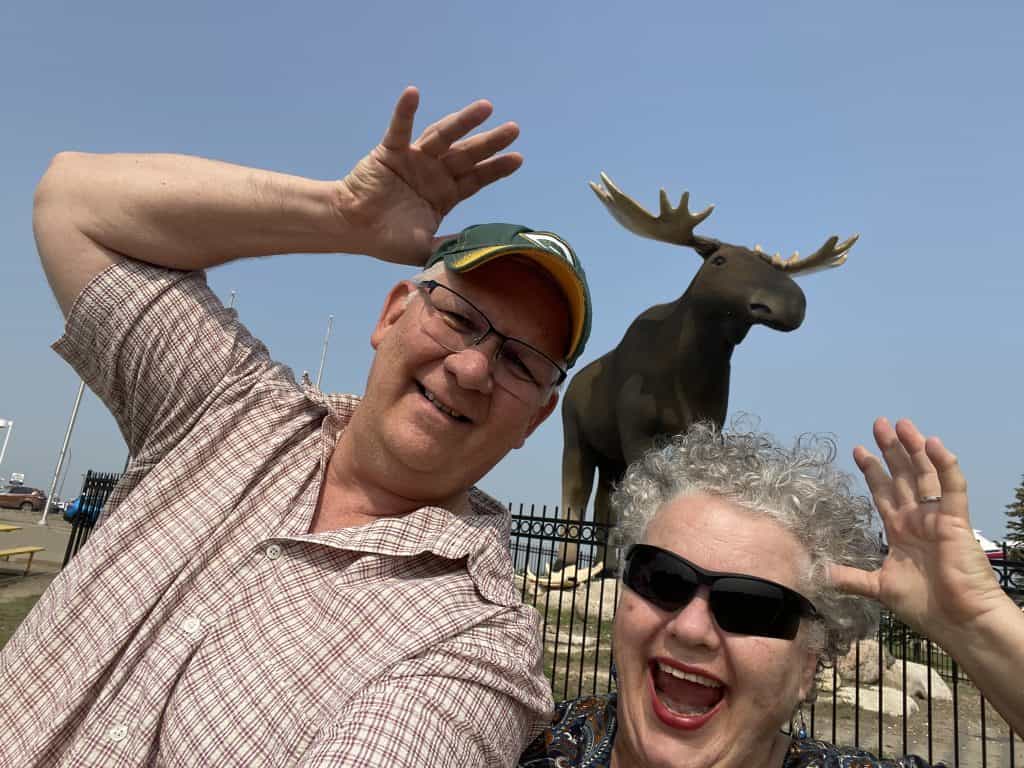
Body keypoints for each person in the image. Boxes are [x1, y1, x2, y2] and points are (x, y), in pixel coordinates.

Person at [0, 87, 594, 766]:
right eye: (458, 318)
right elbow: (71, 202)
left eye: (520, 362)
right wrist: (341, 215)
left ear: (536, 419)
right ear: (392, 315)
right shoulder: (230, 410)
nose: (471, 368)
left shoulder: (478, 642)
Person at [519, 417, 1024, 767]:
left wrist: (976, 624)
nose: (691, 628)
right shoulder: (520, 746)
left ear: (809, 665)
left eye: (751, 606)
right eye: (664, 580)